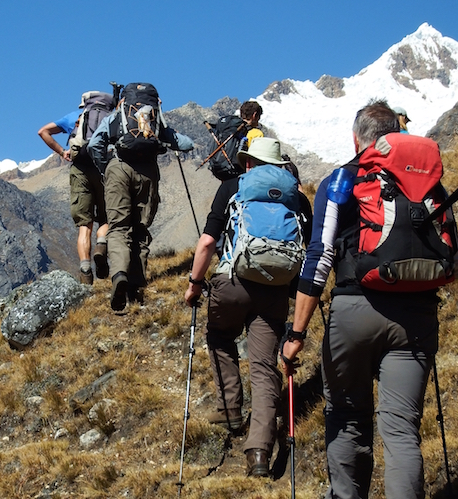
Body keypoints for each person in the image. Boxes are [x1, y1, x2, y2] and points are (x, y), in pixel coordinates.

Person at [281, 100, 436, 498]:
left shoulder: (342, 180)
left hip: (354, 309)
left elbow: (320, 256)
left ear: (356, 139)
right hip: (415, 314)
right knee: (402, 431)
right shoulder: (426, 179)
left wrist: (296, 333)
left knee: (348, 418)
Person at [184, 137, 312, 477]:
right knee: (264, 367)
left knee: (220, 336)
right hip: (275, 290)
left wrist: (195, 285)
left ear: (250, 163)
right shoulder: (298, 199)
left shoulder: (232, 187)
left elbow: (209, 241)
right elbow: (309, 253)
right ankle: (258, 453)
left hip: (232, 282)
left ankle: (229, 409)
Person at [88, 82, 193, 311]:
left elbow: (95, 144)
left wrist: (106, 167)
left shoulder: (116, 118)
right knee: (140, 228)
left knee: (118, 227)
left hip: (118, 167)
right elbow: (186, 144)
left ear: (123, 101)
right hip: (148, 171)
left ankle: (119, 275)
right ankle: (136, 284)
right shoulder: (155, 119)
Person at [38, 93, 111, 285]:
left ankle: (86, 271)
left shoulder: (75, 118)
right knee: (107, 217)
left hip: (80, 171)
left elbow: (43, 131)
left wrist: (62, 152)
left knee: (84, 226)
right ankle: (101, 245)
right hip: (104, 170)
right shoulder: (112, 117)